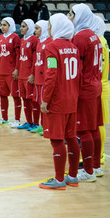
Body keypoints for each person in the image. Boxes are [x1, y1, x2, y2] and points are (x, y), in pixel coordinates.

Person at [38, 13, 81, 190]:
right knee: (71, 138)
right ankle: (72, 176)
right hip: (72, 98)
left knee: (56, 140)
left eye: (50, 25)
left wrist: (45, 99)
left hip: (57, 101)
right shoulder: (74, 48)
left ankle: (58, 180)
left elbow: (51, 75)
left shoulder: (52, 47)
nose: (48, 28)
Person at [68, 4, 103, 182]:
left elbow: (77, 69)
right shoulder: (93, 35)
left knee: (83, 131)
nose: (69, 17)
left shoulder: (80, 38)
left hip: (85, 89)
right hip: (95, 86)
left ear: (80, 16)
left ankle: (88, 171)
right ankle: (95, 167)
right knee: (94, 128)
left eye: (71, 14)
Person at [0, 17, 21, 126]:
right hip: (1, 72)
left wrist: (16, 69)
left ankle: (17, 120)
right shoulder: (0, 37)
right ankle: (4, 118)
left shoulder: (15, 37)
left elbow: (18, 55)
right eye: (1, 25)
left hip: (11, 72)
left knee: (15, 96)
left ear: (10, 26)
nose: (2, 27)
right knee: (2, 96)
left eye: (5, 25)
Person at [92, 16, 109, 169]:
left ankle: (101, 153)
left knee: (99, 124)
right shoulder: (99, 40)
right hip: (99, 85)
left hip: (100, 86)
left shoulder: (99, 41)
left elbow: (99, 68)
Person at [16, 19, 39, 130]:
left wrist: (33, 74)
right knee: (24, 99)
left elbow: (35, 59)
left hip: (29, 75)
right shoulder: (22, 40)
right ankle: (29, 121)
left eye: (24, 26)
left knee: (32, 100)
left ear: (29, 27)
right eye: (21, 26)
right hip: (21, 75)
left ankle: (36, 123)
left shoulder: (34, 40)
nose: (21, 28)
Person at [30, 20, 49, 135]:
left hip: (44, 78)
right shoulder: (39, 42)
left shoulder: (49, 42)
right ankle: (42, 125)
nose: (35, 31)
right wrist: (33, 74)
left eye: (37, 28)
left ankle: (47, 126)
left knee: (44, 103)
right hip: (38, 77)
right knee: (38, 102)